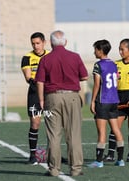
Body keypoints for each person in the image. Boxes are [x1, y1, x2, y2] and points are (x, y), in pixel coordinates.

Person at [35, 30, 88, 176]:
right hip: (72, 97)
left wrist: (41, 99)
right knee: (74, 134)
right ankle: (76, 168)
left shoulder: (45, 59)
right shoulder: (75, 57)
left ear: (51, 43)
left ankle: (54, 169)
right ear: (65, 42)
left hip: (52, 97)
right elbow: (84, 76)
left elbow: (40, 81)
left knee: (53, 135)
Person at [87, 40, 125, 168]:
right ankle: (120, 160)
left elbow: (97, 84)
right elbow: (117, 79)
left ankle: (99, 161)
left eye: (95, 49)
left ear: (100, 50)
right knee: (116, 130)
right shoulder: (114, 64)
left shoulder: (98, 65)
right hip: (114, 100)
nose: (94, 52)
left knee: (101, 132)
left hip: (103, 101)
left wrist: (92, 101)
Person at [21, 32, 49, 165]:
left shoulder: (50, 55)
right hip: (34, 94)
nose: (35, 46)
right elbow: (28, 78)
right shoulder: (27, 57)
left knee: (53, 124)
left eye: (38, 43)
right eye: (33, 43)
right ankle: (32, 155)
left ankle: (55, 154)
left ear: (44, 42)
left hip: (50, 94)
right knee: (35, 123)